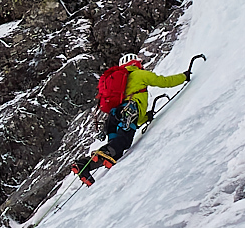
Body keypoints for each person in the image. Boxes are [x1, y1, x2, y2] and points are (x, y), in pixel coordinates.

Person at [70, 52, 192, 185]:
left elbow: (136, 120)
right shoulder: (139, 74)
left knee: (116, 151)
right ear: (136, 63)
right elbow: (164, 82)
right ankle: (101, 154)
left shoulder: (119, 79)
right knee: (122, 143)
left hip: (113, 117)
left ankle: (84, 165)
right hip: (129, 111)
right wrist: (184, 76)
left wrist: (146, 117)